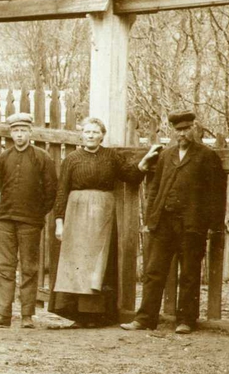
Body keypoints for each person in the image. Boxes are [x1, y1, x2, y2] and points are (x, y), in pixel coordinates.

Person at [122, 110, 226, 335]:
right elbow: (155, 188)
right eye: (178, 130)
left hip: (192, 225)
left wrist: (213, 225)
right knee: (154, 271)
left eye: (187, 129)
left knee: (189, 272)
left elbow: (216, 194)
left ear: (194, 129)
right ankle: (145, 318)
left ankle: (186, 320)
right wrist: (151, 218)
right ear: (173, 131)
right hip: (164, 223)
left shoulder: (206, 156)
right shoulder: (166, 156)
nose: (183, 134)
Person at [48, 116, 156, 328]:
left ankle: (96, 316)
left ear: (102, 136)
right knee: (77, 264)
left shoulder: (111, 156)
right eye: (87, 132)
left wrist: (144, 163)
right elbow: (61, 192)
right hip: (76, 213)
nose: (91, 136)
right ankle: (78, 315)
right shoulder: (71, 159)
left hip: (102, 213)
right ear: (82, 134)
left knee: (99, 264)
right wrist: (59, 221)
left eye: (95, 132)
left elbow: (130, 175)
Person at [0, 111, 58, 329]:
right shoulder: (5, 157)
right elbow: (2, 184)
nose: (19, 135)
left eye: (23, 130)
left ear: (30, 132)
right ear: (11, 133)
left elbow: (51, 191)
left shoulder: (42, 157)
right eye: (15, 131)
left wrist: (36, 214)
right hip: (5, 218)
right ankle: (3, 315)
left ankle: (27, 316)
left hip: (30, 222)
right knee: (5, 267)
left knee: (29, 268)